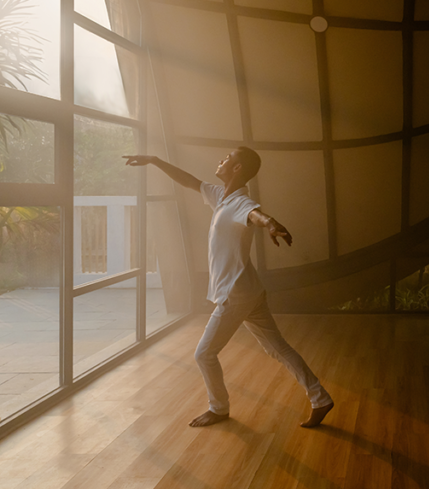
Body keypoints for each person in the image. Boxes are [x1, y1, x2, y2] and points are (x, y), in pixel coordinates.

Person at [123, 148, 334, 428]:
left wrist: (271, 224)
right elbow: (188, 180)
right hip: (248, 290)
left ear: (237, 169)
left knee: (204, 354)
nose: (220, 160)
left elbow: (256, 215)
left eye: (227, 158)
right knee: (277, 348)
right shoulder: (220, 196)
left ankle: (218, 408)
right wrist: (155, 160)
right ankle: (320, 398)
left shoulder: (239, 202)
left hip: (235, 294)